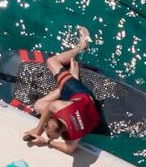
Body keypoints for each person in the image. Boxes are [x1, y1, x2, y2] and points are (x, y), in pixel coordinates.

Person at [21, 26, 104, 155]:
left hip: (84, 103)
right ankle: (73, 75)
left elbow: (70, 149)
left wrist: (47, 142)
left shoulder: (73, 134)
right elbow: (50, 108)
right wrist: (39, 130)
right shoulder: (59, 109)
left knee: (38, 106)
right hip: (82, 97)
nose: (49, 137)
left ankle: (81, 46)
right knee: (52, 61)